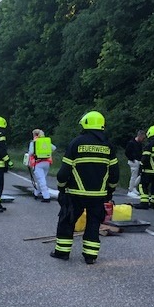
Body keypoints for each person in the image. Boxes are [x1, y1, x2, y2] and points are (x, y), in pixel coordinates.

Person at [50, 111, 119, 265]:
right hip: (98, 195)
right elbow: (114, 174)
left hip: (76, 194)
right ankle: (90, 256)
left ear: (86, 123)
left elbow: (63, 172)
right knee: (94, 224)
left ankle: (62, 252)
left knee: (67, 221)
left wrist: (61, 187)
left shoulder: (76, 143)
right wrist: (110, 190)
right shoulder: (108, 146)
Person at [28, 128, 57, 202]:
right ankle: (36, 193)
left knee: (41, 180)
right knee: (40, 179)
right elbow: (54, 148)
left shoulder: (34, 142)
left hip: (38, 163)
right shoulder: (46, 141)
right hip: (47, 163)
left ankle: (46, 197)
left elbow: (31, 152)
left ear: (34, 134)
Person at [125, 130, 145, 197]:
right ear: (139, 136)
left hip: (138, 160)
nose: (143, 139)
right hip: (133, 161)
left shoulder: (139, 143)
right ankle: (131, 189)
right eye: (142, 137)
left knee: (137, 175)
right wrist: (132, 159)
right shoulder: (131, 143)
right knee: (134, 176)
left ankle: (133, 188)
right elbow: (127, 152)